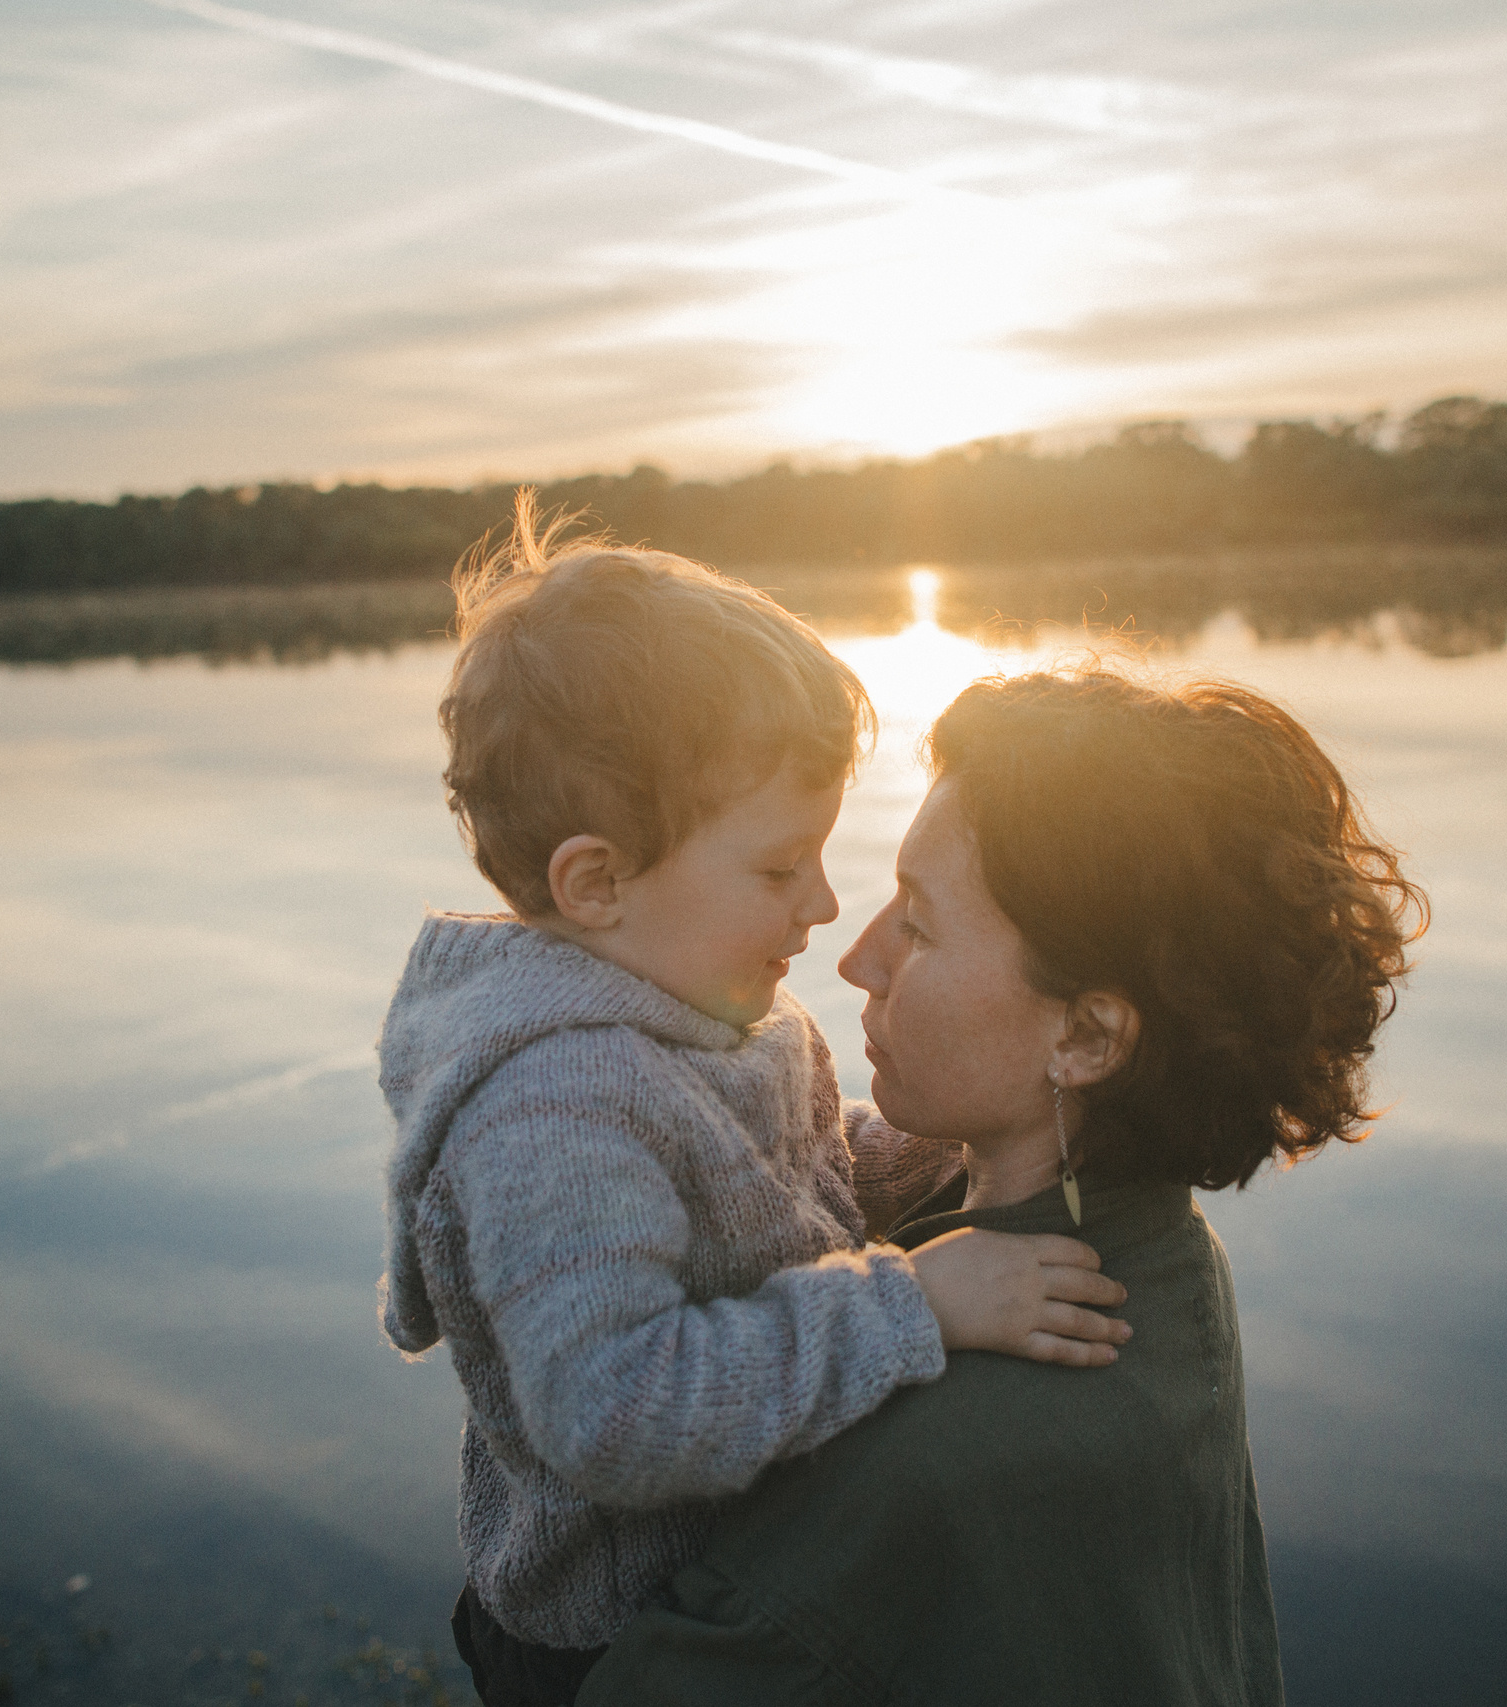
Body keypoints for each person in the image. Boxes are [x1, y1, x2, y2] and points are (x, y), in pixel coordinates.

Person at [379, 502, 1134, 1707]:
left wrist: (955, 1155)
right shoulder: (550, 1108)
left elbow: (793, 1181)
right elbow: (616, 1414)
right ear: (597, 881)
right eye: (781, 867)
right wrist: (915, 1306)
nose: (826, 906)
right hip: (612, 1647)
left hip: (747, 1578)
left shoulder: (694, 995)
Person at [580, 667, 1427, 1706]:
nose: (857, 959)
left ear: (1085, 1035)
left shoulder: (932, 1458)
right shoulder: (1156, 1249)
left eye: (921, 927)